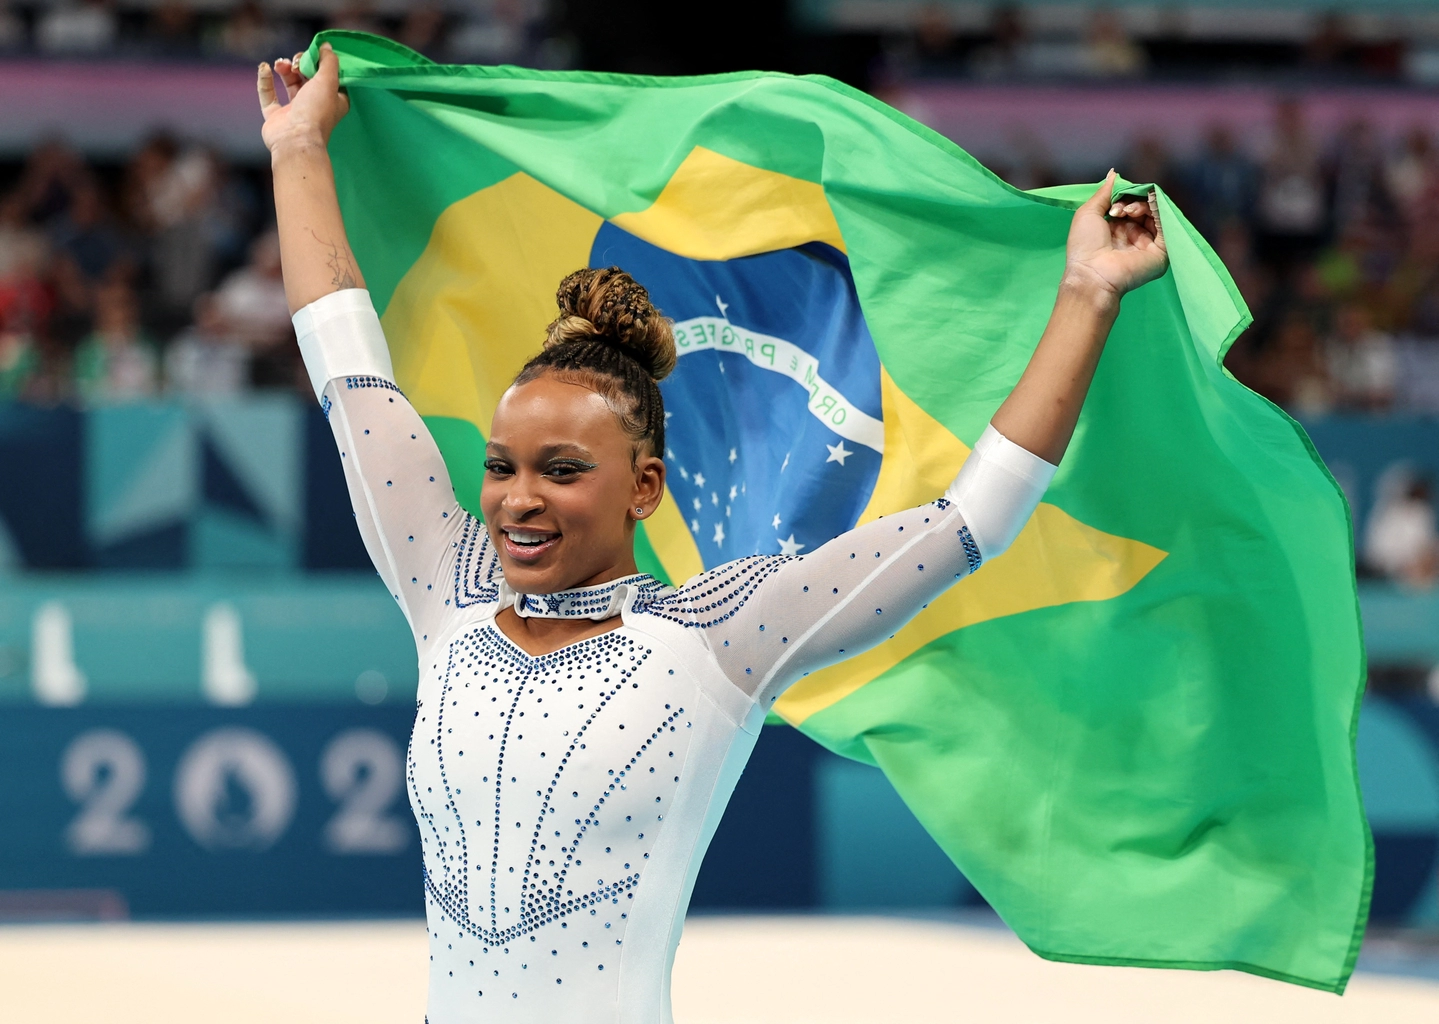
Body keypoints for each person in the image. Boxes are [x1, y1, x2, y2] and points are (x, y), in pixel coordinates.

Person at [258, 43, 1167, 1024]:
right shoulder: (445, 585)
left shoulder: (714, 637)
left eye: (562, 470)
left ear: (644, 486)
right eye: (502, 464)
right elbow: (347, 368)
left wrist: (1086, 293)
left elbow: (969, 519)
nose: (519, 497)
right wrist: (297, 144)